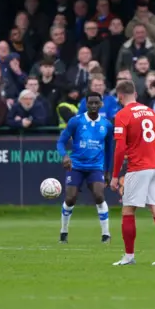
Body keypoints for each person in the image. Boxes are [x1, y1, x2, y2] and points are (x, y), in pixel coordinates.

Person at [110, 80, 155, 266]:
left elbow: (120, 149)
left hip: (138, 168)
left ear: (120, 96)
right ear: (135, 94)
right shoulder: (151, 112)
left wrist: (114, 176)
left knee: (128, 211)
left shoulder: (122, 114)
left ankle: (129, 257)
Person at [56, 92, 114, 244]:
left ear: (101, 104)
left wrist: (108, 171)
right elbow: (61, 142)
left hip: (96, 167)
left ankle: (106, 234)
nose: (93, 106)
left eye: (96, 103)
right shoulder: (76, 121)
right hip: (76, 166)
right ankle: (63, 232)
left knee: (99, 196)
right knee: (70, 198)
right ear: (86, 104)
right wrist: (65, 156)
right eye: (91, 103)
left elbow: (109, 150)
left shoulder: (106, 124)